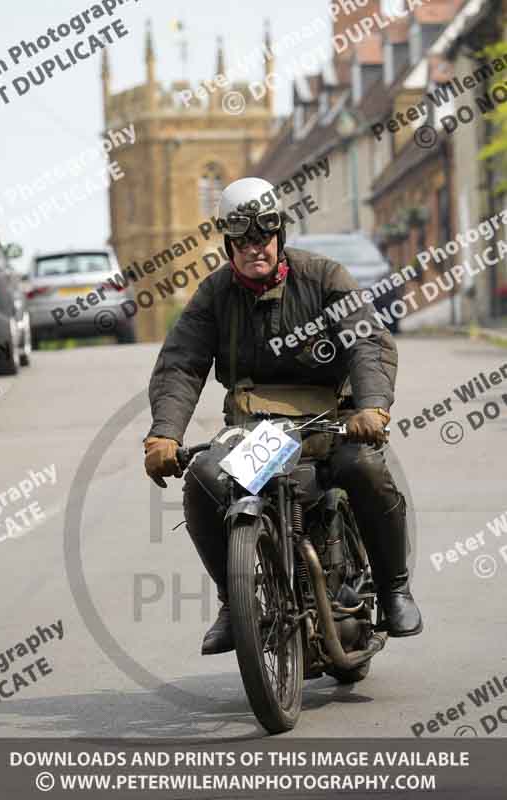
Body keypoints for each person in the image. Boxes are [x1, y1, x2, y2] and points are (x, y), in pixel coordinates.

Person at [144, 177, 423, 655]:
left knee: (365, 467)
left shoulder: (324, 277)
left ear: (280, 235)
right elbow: (181, 362)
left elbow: (366, 341)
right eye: (243, 239)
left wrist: (371, 406)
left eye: (263, 235)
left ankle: (395, 590)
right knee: (206, 476)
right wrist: (164, 435)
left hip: (332, 422)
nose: (255, 247)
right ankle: (235, 603)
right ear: (229, 243)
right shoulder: (215, 295)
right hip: (263, 435)